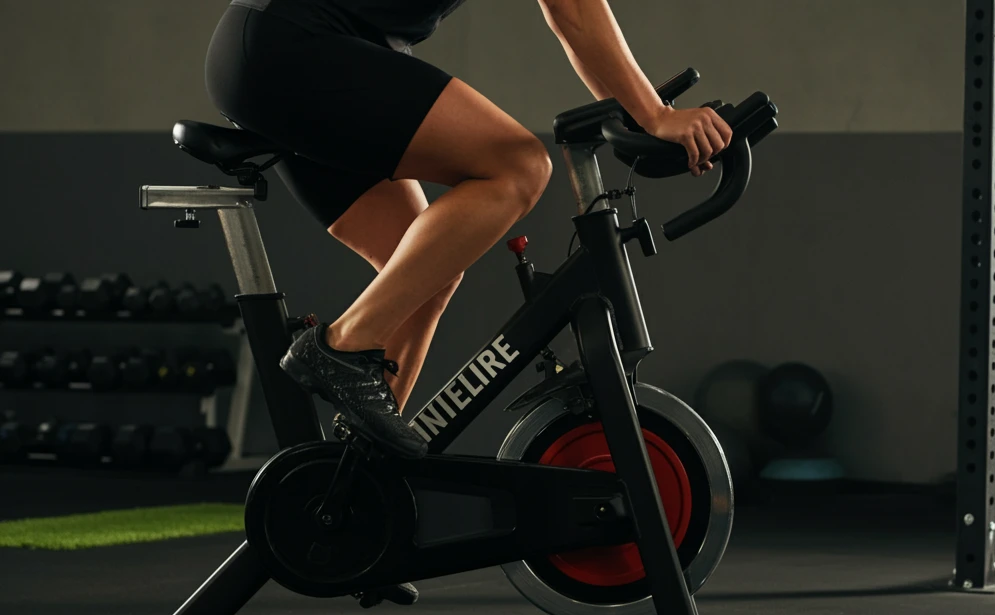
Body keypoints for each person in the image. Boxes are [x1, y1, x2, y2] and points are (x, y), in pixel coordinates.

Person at [205, 0, 733, 460]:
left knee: (423, 269)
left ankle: (356, 498)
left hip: (290, 48)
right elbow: (571, 10)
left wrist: (648, 113)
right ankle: (339, 348)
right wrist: (655, 114)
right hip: (298, 44)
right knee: (521, 167)